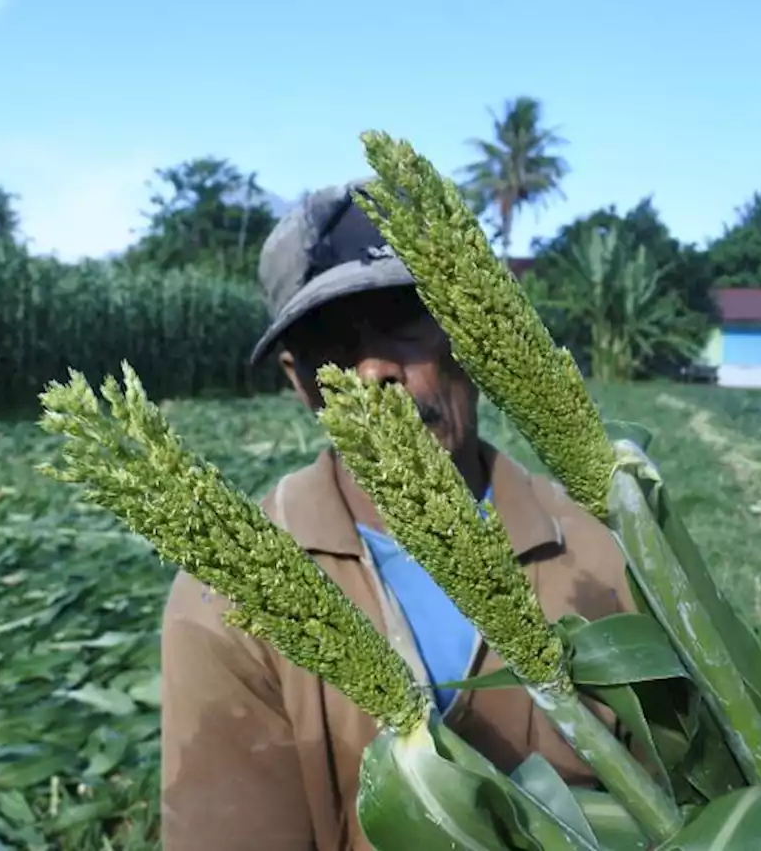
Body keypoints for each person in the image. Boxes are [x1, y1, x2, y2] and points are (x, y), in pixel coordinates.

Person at [158, 179, 637, 851]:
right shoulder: (229, 603)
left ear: (470, 334)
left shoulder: (604, 555)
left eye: (403, 317)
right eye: (336, 342)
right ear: (300, 383)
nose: (378, 368)